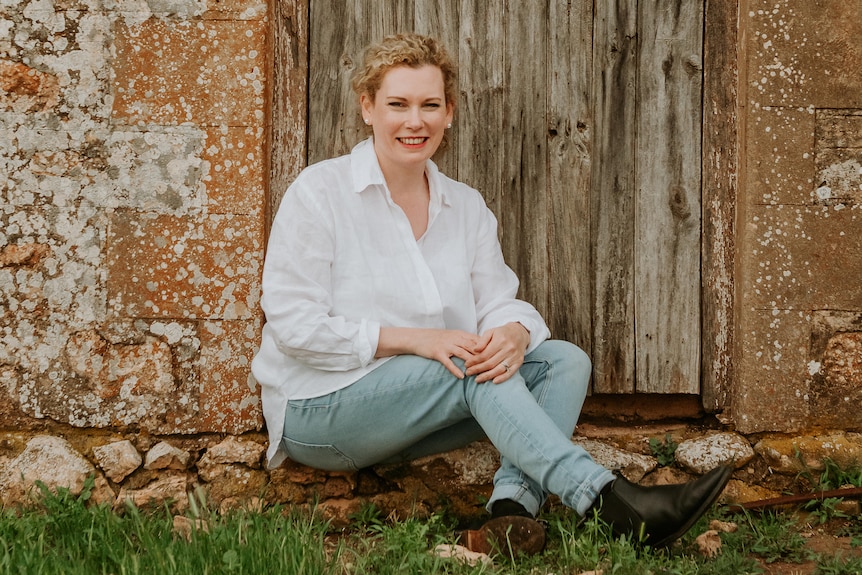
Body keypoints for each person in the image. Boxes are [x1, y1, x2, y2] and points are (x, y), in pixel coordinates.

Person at [252, 32, 731, 555]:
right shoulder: (320, 192)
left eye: (430, 105)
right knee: (462, 363)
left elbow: (497, 299)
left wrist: (514, 332)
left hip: (419, 412)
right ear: (368, 108)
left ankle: (510, 512)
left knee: (562, 361)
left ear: (449, 112)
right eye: (398, 104)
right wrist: (416, 340)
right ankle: (609, 502)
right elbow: (294, 327)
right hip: (320, 411)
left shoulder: (465, 206)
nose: (415, 121)